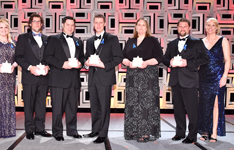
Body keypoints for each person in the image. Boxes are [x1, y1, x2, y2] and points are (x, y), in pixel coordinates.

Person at [163, 18, 209, 144]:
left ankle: (192, 135)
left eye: (185, 26)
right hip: (175, 80)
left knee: (192, 109)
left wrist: (187, 62)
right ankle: (180, 132)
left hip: (190, 81)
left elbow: (204, 59)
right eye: (180, 26)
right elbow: (164, 59)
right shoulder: (171, 44)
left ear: (189, 28)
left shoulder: (197, 42)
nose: (182, 29)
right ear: (177, 28)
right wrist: (170, 62)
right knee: (178, 109)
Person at [121, 18, 163, 143]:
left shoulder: (152, 41)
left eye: (143, 25)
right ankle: (132, 130)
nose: (141, 27)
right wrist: (128, 62)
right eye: (138, 25)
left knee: (146, 103)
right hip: (133, 76)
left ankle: (146, 132)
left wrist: (147, 63)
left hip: (148, 75)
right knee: (133, 102)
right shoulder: (130, 41)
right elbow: (122, 57)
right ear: (135, 27)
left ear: (147, 27)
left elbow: (160, 57)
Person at [84, 14, 123, 143]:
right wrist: (86, 63)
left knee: (104, 106)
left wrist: (104, 65)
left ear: (105, 24)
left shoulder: (112, 39)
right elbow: (85, 57)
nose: (99, 25)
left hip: (105, 78)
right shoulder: (89, 41)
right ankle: (95, 129)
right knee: (94, 106)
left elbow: (118, 58)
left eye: (101, 22)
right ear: (93, 24)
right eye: (96, 23)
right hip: (92, 78)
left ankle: (103, 133)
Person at [44, 16, 84, 141]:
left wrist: (80, 64)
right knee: (57, 108)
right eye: (68, 25)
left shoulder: (79, 41)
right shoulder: (53, 39)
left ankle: (72, 131)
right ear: (62, 25)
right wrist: (62, 64)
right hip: (58, 79)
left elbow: (82, 58)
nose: (70, 27)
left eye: (72, 25)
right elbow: (48, 57)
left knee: (72, 107)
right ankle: (57, 132)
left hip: (74, 79)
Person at [15, 13, 52, 140]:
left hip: (44, 78)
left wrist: (48, 66)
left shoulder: (48, 39)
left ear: (42, 24)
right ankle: (29, 130)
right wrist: (31, 68)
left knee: (41, 104)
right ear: (30, 24)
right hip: (29, 77)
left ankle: (40, 129)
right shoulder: (23, 38)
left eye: (39, 21)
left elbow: (50, 57)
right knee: (29, 105)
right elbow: (18, 57)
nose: (36, 23)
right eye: (34, 21)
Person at [198, 18, 230, 143]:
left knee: (216, 104)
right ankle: (205, 131)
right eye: (208, 25)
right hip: (203, 76)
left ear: (216, 27)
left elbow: (227, 60)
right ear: (205, 27)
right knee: (204, 105)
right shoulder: (200, 42)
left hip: (217, 76)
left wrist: (225, 76)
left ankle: (214, 132)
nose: (210, 27)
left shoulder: (223, 40)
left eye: (213, 25)